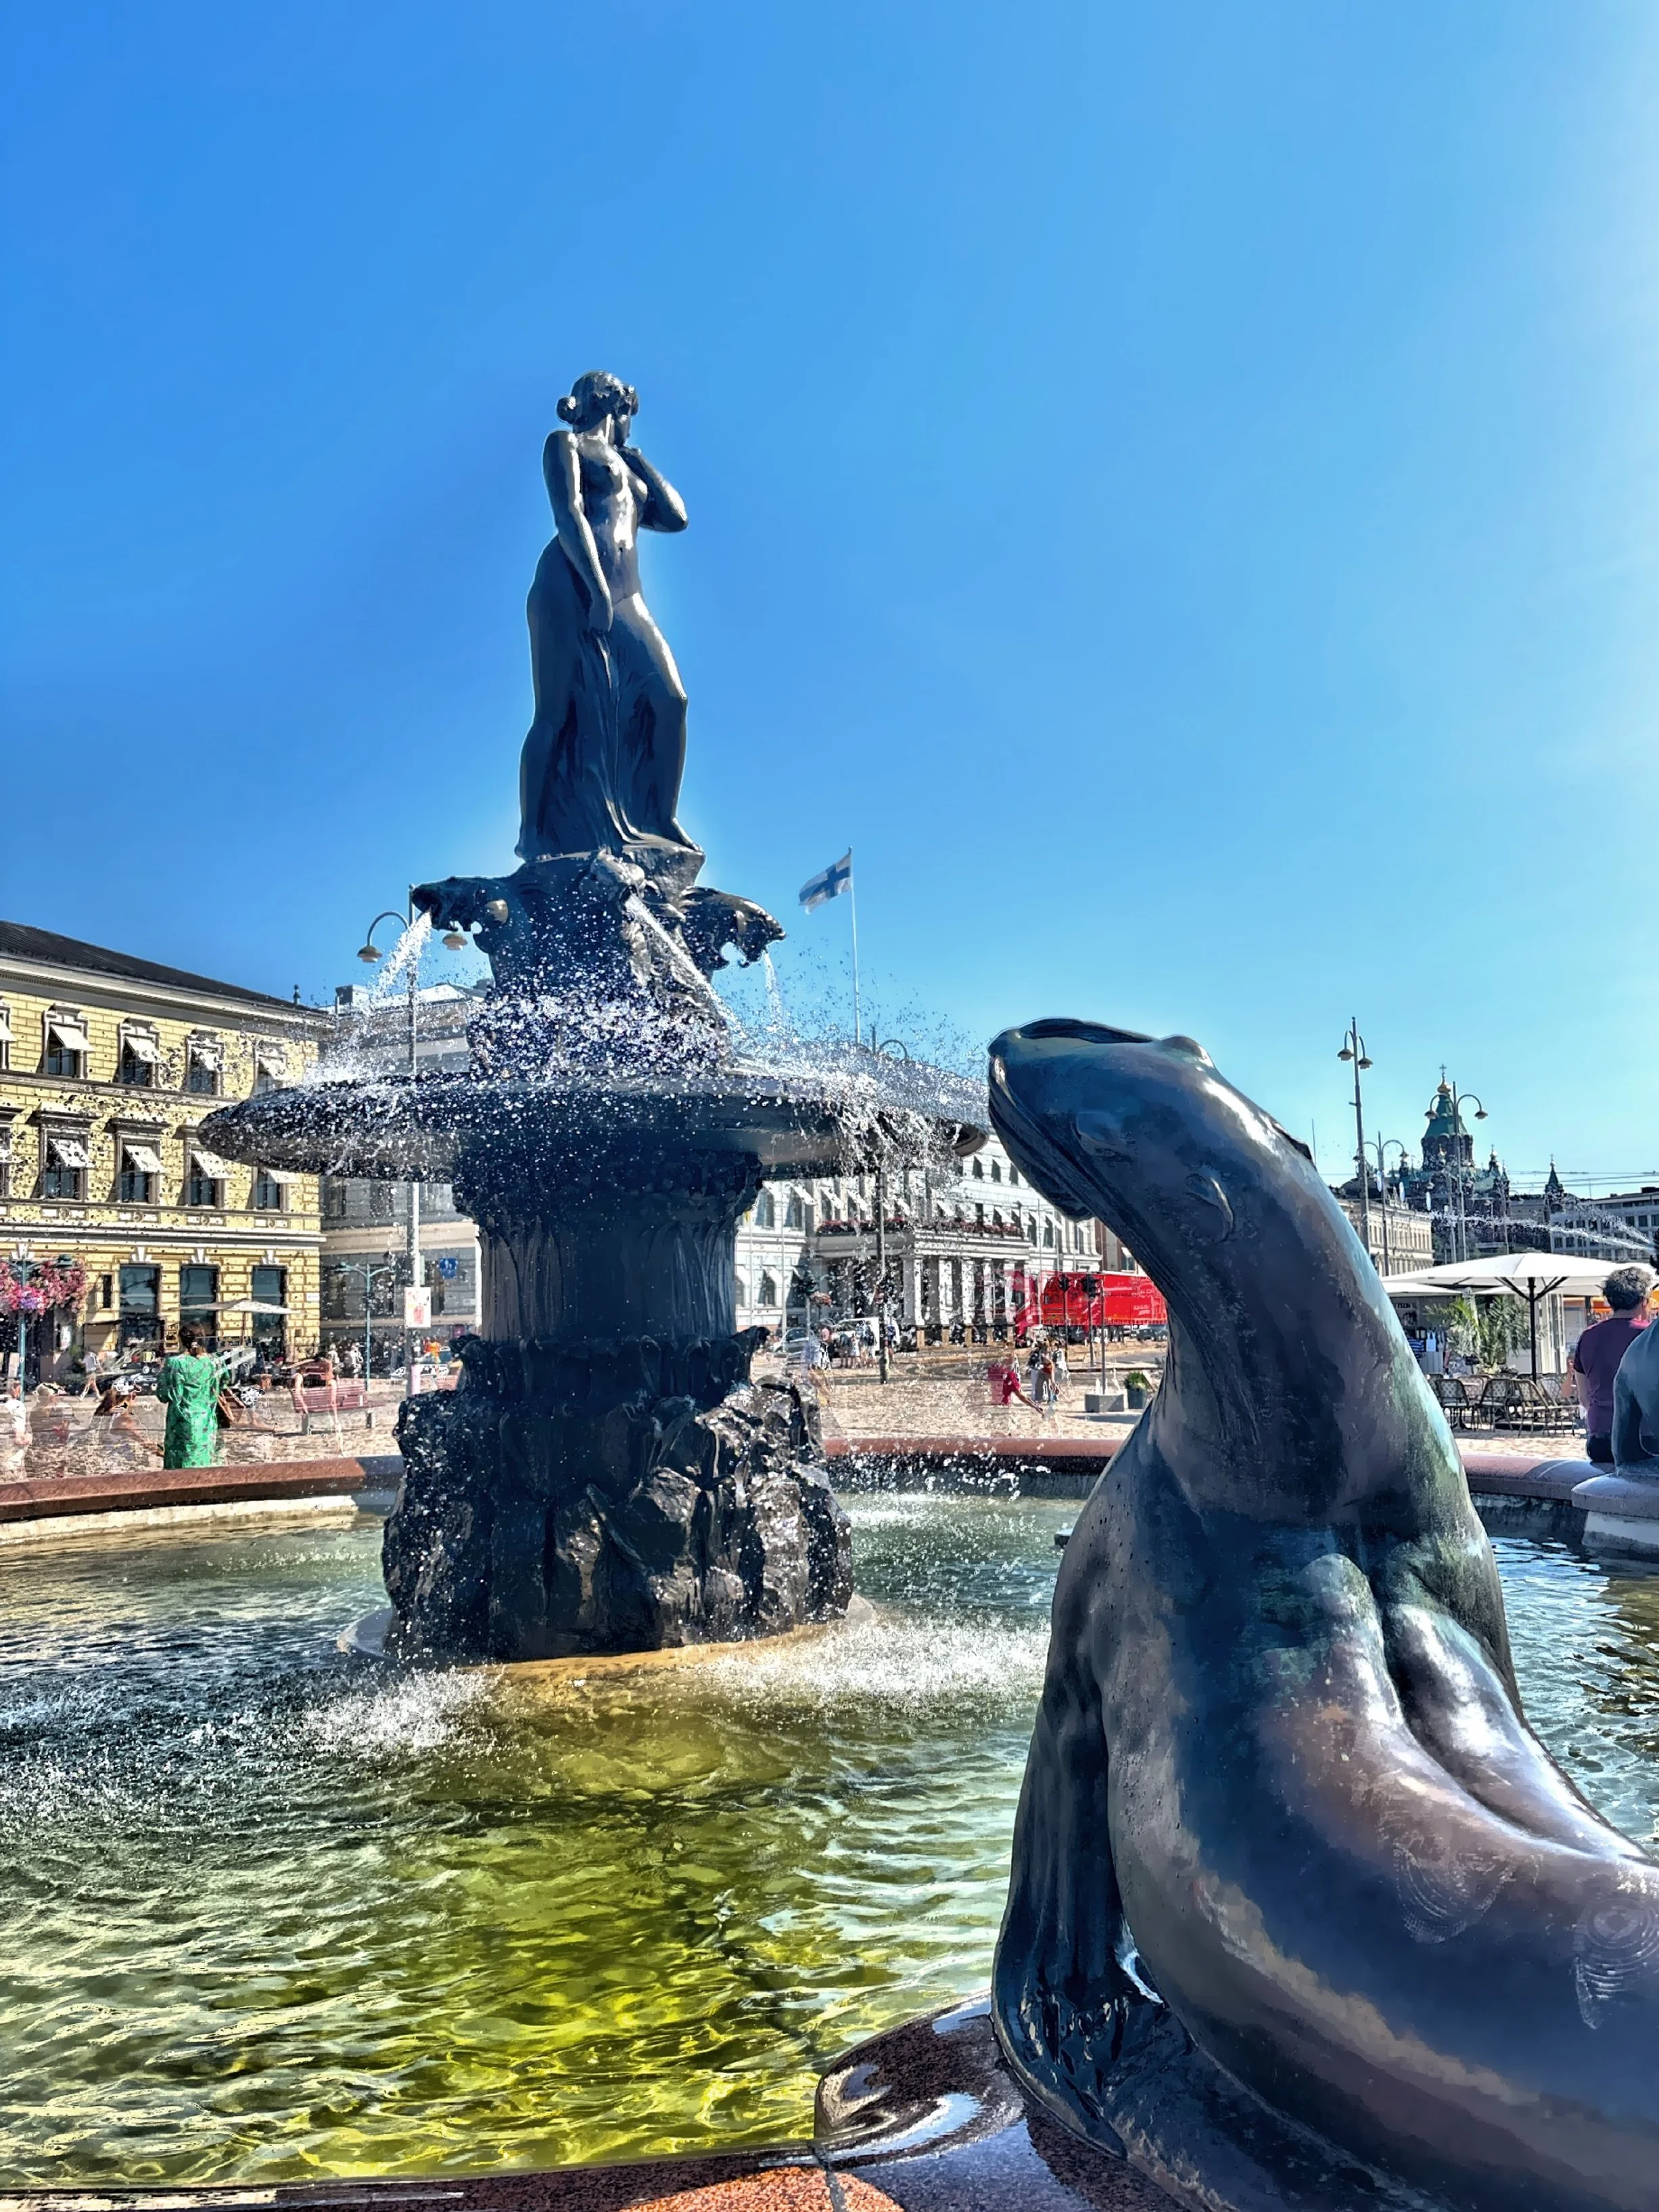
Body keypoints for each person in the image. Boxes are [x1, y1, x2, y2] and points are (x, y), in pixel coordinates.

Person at [517, 371, 697, 862]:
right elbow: (568, 513)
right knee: (555, 713)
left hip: (627, 597)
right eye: (627, 416)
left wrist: (637, 458)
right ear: (609, 405)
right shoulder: (566, 444)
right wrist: (595, 589)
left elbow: (676, 518)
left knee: (670, 700)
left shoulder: (630, 467)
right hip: (569, 584)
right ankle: (531, 831)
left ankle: (660, 817)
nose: (630, 428)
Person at [1568, 1266, 1654, 1464]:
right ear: (1644, 1302)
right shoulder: (1651, 1337)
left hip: (1601, 1439)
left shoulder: (1588, 1337)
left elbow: (1584, 1397)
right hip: (1646, 1440)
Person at [156, 1324, 223, 1469]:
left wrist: (162, 1374)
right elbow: (221, 1386)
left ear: (182, 1340)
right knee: (204, 1465)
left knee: (179, 1469)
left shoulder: (176, 1363)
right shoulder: (214, 1362)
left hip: (181, 1423)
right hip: (207, 1422)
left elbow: (163, 1395)